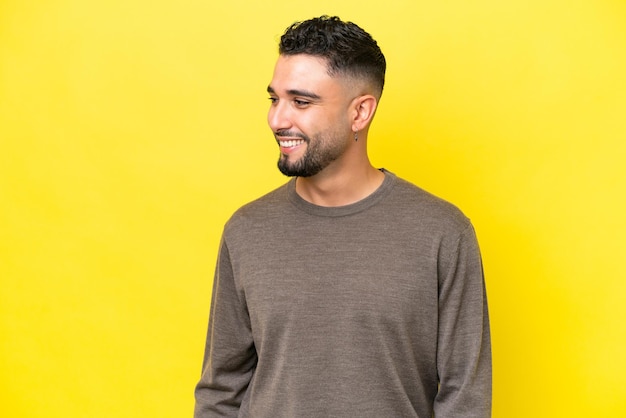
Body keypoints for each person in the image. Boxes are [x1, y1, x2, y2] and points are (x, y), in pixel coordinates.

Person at [194, 15, 491, 418]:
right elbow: (220, 390)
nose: (278, 119)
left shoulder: (442, 233)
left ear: (360, 113)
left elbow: (465, 400)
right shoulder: (246, 231)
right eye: (274, 99)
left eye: (301, 101)